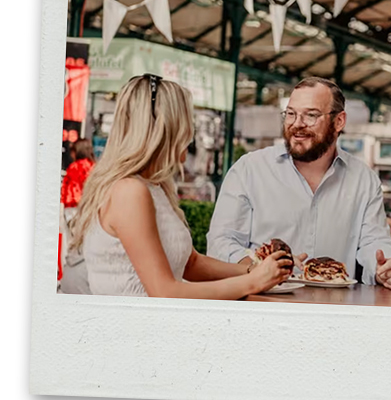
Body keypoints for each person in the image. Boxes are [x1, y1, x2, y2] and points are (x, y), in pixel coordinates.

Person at [68, 74, 290, 299]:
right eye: (187, 120)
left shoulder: (152, 186)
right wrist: (252, 281)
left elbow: (191, 263)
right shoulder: (129, 191)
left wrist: (259, 270)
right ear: (168, 127)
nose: (190, 132)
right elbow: (164, 291)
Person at [207, 76, 391, 291]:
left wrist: (387, 266)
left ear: (339, 121)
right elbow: (221, 242)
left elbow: (374, 242)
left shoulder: (363, 179)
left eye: (311, 115)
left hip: (333, 309)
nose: (297, 124)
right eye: (291, 114)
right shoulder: (249, 169)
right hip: (263, 303)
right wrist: (257, 268)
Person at [59, 138, 96, 293]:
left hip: (73, 210)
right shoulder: (95, 168)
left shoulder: (74, 167)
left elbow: (68, 193)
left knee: (70, 245)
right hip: (90, 211)